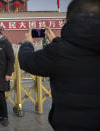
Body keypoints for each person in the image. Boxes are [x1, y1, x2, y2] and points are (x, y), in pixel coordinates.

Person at [18, 0, 100, 130]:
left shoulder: (59, 52)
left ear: (69, 20)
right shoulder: (60, 49)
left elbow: (27, 61)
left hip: (71, 124)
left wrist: (27, 43)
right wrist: (56, 41)